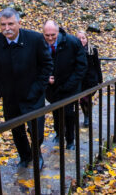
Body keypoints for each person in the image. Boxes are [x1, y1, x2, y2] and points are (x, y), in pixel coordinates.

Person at [0, 8, 53, 169]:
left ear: (19, 23)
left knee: (36, 129)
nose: (7, 28)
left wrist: (37, 89)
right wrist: (1, 90)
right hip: (10, 97)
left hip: (33, 95)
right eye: (3, 24)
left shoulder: (35, 39)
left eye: (10, 24)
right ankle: (25, 156)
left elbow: (47, 65)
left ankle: (37, 154)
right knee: (16, 129)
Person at [43, 20, 87, 150]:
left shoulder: (72, 42)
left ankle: (70, 140)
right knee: (56, 111)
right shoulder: (40, 44)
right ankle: (59, 133)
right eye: (47, 35)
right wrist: (46, 77)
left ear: (58, 32)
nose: (50, 38)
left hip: (69, 87)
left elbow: (81, 66)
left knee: (69, 113)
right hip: (52, 88)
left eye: (53, 35)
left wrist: (69, 84)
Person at [76, 31, 103, 128]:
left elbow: (97, 65)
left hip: (91, 79)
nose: (81, 40)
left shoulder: (92, 50)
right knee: (83, 100)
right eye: (79, 38)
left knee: (86, 98)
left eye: (83, 38)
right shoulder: (74, 50)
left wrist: (100, 79)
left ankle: (87, 117)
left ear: (87, 39)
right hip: (80, 80)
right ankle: (86, 115)